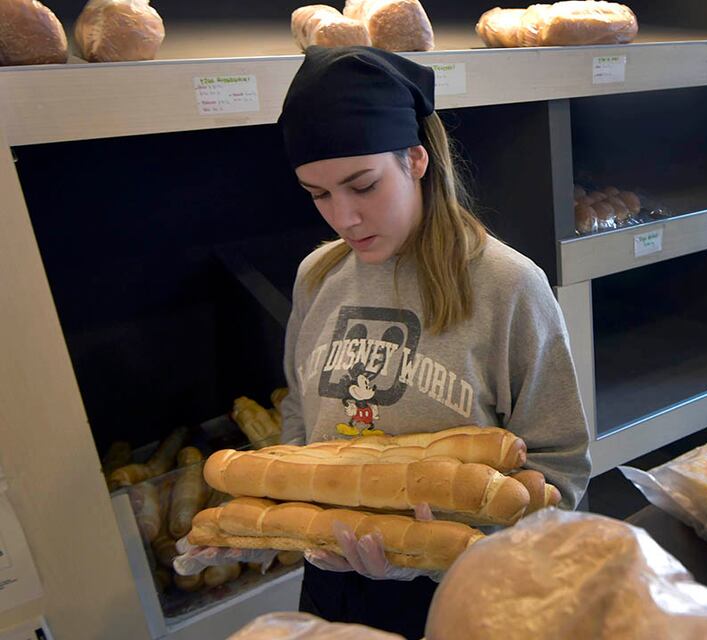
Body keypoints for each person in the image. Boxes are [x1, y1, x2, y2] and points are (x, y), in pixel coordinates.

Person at [175, 45, 591, 639]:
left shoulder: (507, 285)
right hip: (332, 581)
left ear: (416, 159)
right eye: (318, 194)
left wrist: (426, 554)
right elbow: (301, 421)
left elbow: (561, 472)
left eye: (362, 185)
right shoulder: (317, 276)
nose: (343, 218)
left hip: (464, 590)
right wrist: (269, 527)